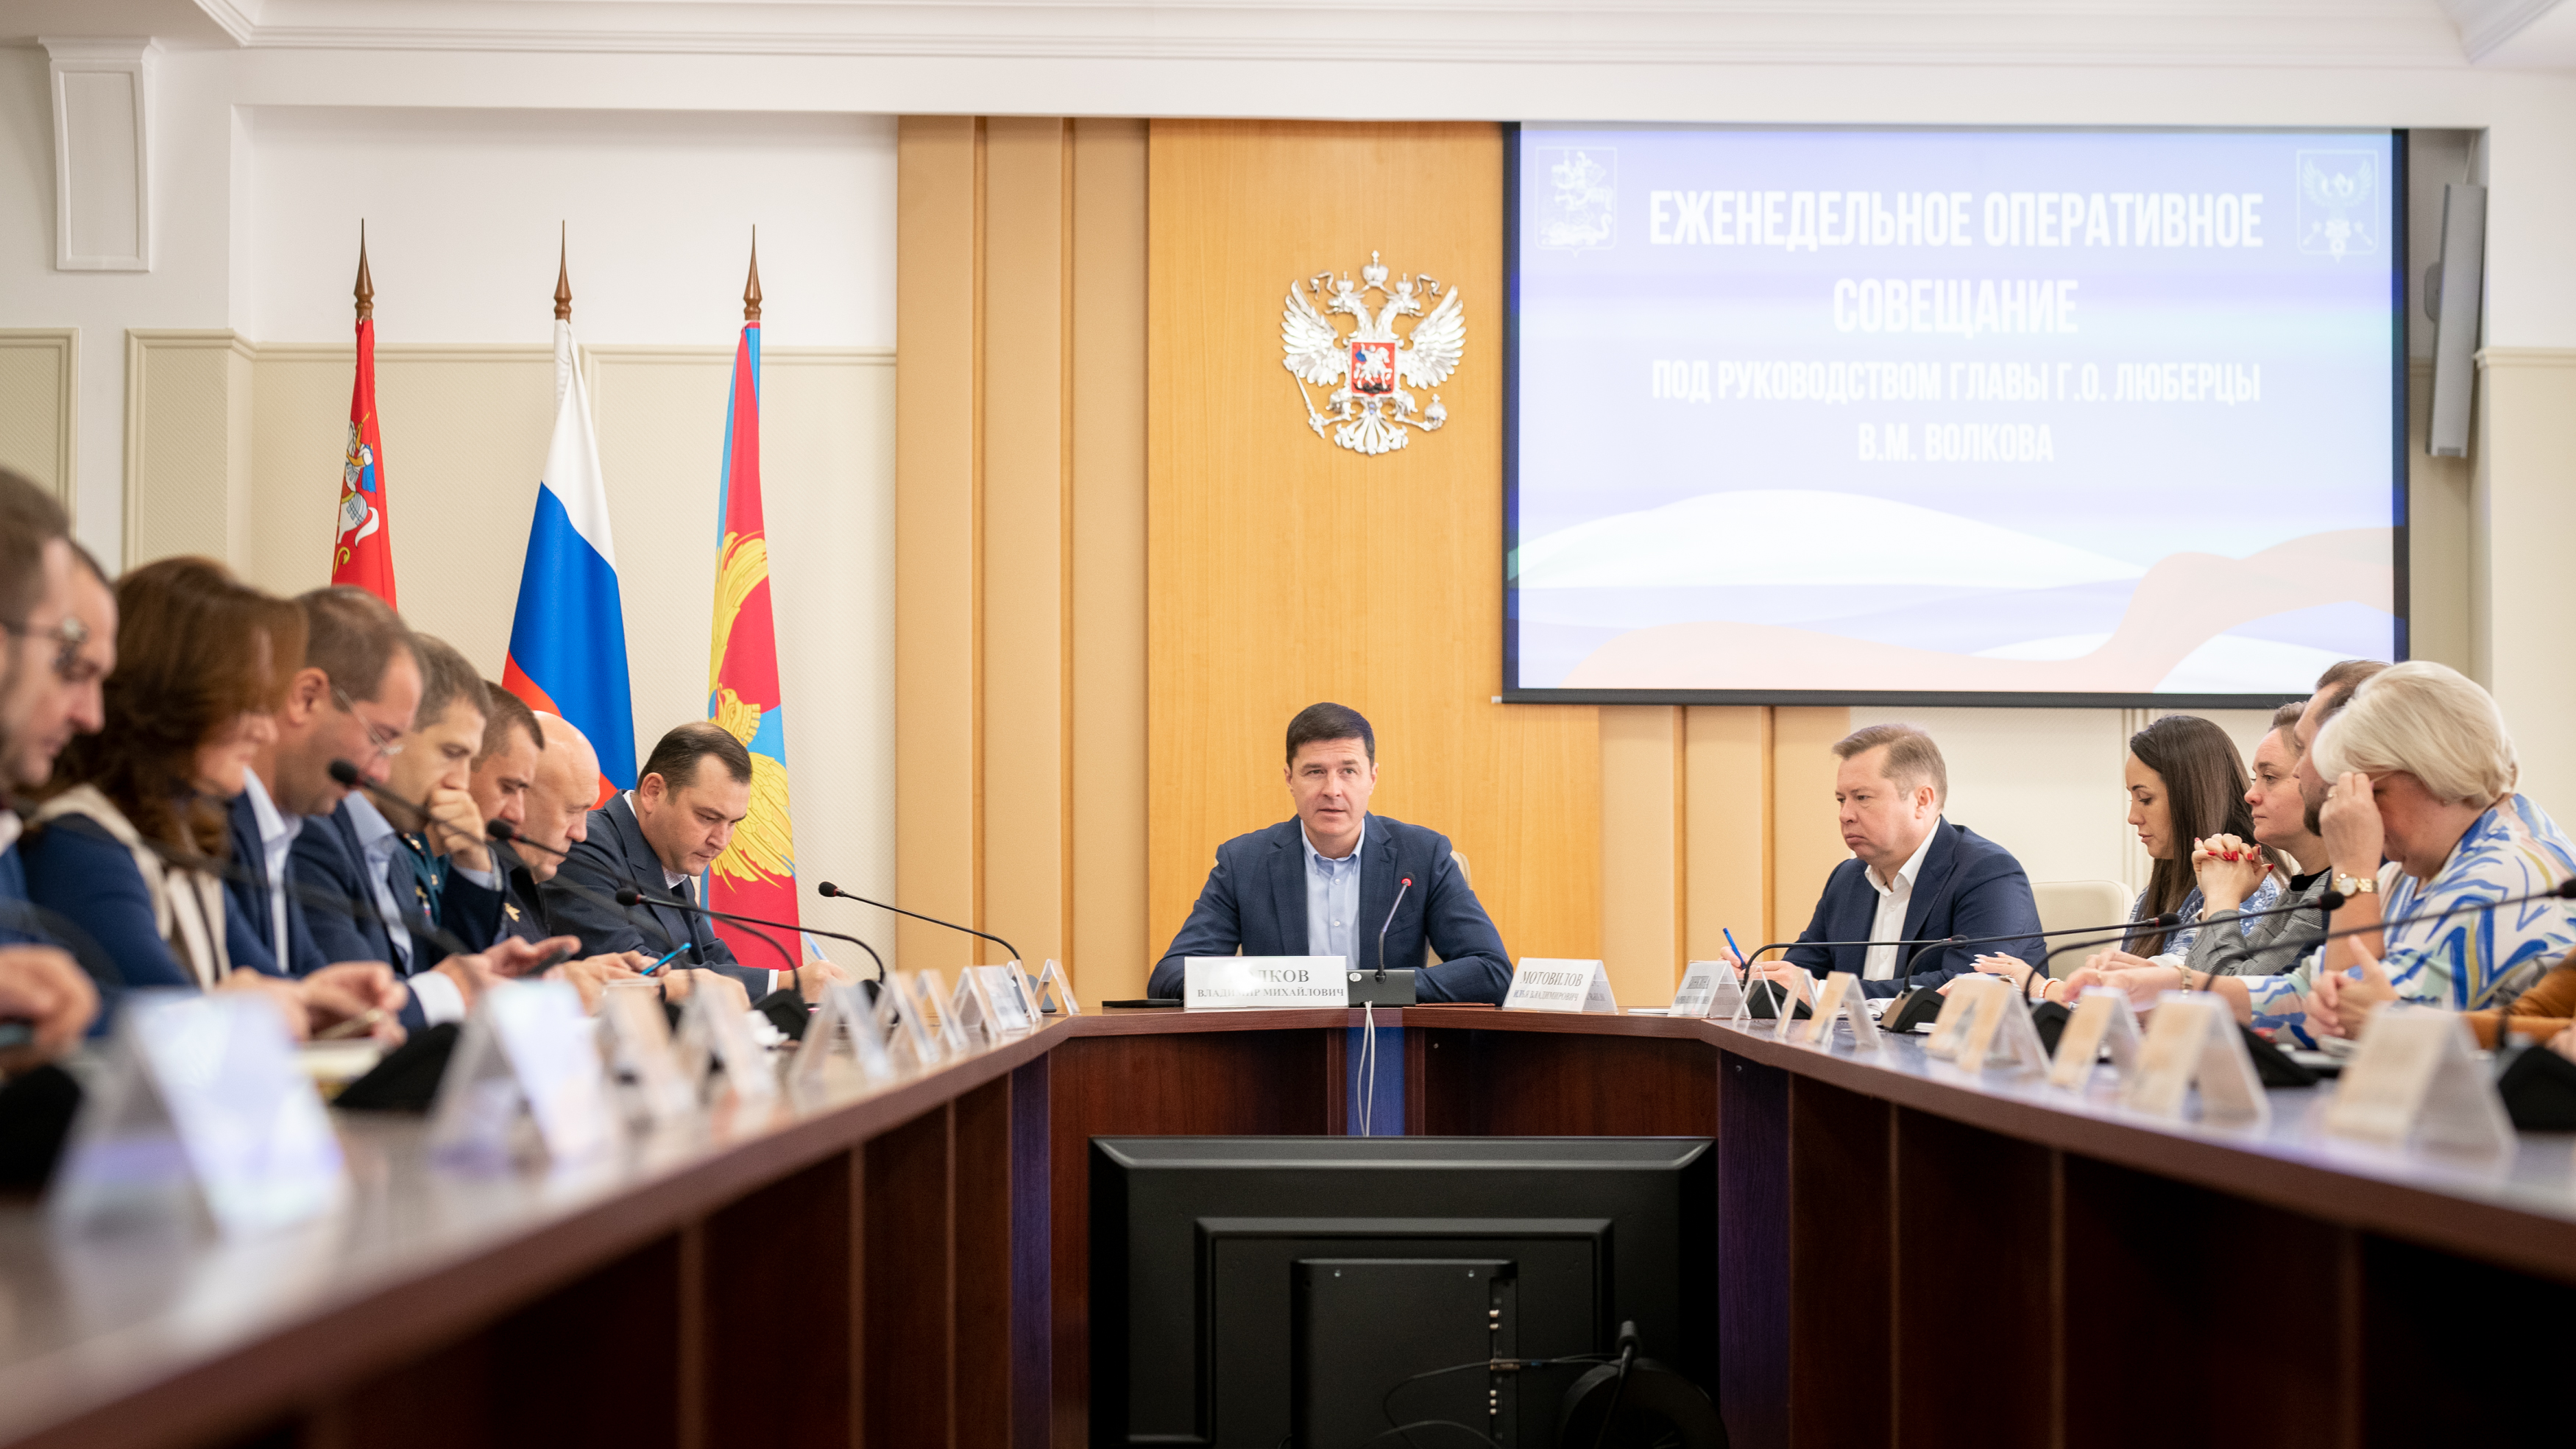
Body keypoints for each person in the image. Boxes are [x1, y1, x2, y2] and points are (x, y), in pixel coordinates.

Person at [21, 557, 409, 1039]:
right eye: (249, 703)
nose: (267, 729)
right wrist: (266, 1009)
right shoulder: (81, 842)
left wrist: (319, 1004)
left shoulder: (185, 838)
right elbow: (164, 1019)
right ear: (177, 695)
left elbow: (261, 981)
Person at [2285, 662, 2576, 1040]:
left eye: (2373, 793)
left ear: (2436, 771)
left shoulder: (2508, 872)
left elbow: (2349, 1029)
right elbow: (2310, 994)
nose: (2362, 815)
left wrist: (2353, 869)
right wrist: (2204, 989)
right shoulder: (2409, 871)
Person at [1151, 703, 1512, 1002]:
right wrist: (1278, 985)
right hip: (1280, 1047)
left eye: (1348, 771)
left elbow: (1492, 970)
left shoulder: (1422, 856)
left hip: (1390, 1044)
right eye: (1315, 772)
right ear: (1290, 779)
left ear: (1372, 778)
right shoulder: (1244, 862)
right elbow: (1170, 975)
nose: (1332, 790)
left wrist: (1368, 989)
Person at [544, 720, 846, 1007]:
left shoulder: (669, 855)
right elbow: (632, 972)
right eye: (708, 817)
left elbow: (712, 959)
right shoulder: (582, 844)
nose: (721, 840)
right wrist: (785, 983)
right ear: (653, 792)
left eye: (733, 823)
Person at [1733, 723, 2042, 1001]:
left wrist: (1826, 992)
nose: (1845, 815)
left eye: (1862, 798)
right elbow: (1804, 973)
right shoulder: (1847, 878)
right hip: (1849, 1044)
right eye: (1841, 800)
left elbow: (1967, 986)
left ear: (1922, 801)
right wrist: (1757, 978)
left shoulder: (1987, 873)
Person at [2183, 699, 2334, 980]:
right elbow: (2195, 982)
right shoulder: (2300, 890)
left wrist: (2221, 897)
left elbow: (2225, 991)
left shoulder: (2331, 894)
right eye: (2256, 778)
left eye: (2270, 777)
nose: (2250, 795)